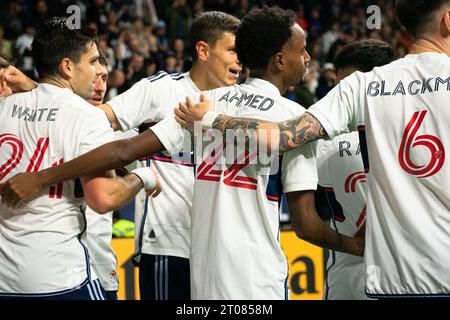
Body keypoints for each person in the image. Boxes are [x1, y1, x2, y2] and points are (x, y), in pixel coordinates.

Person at [1, 6, 361, 300]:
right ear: (279, 60)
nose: (309, 58)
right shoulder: (294, 119)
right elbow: (306, 225)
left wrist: (43, 172)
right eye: (301, 51)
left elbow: (121, 148)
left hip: (204, 278)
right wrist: (359, 247)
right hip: (255, 280)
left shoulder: (200, 106)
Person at [175, 0, 450, 298]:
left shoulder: (361, 85)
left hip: (394, 280)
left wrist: (211, 118)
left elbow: (285, 136)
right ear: (448, 20)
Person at [0, 11, 241, 300]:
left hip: (223, 246)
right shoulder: (160, 90)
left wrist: (39, 92)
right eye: (93, 63)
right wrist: (145, 176)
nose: (98, 76)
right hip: (157, 247)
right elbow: (109, 150)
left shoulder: (244, 102)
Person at [0, 17, 159, 300]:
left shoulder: (4, 106)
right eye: (93, 61)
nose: (98, 70)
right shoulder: (87, 117)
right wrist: (143, 178)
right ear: (68, 66)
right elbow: (103, 198)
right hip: (58, 274)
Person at [310, 40, 395, 300]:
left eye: (343, 87)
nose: (337, 96)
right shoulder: (413, 139)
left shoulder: (320, 146)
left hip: (347, 282)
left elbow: (304, 223)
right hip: (406, 277)